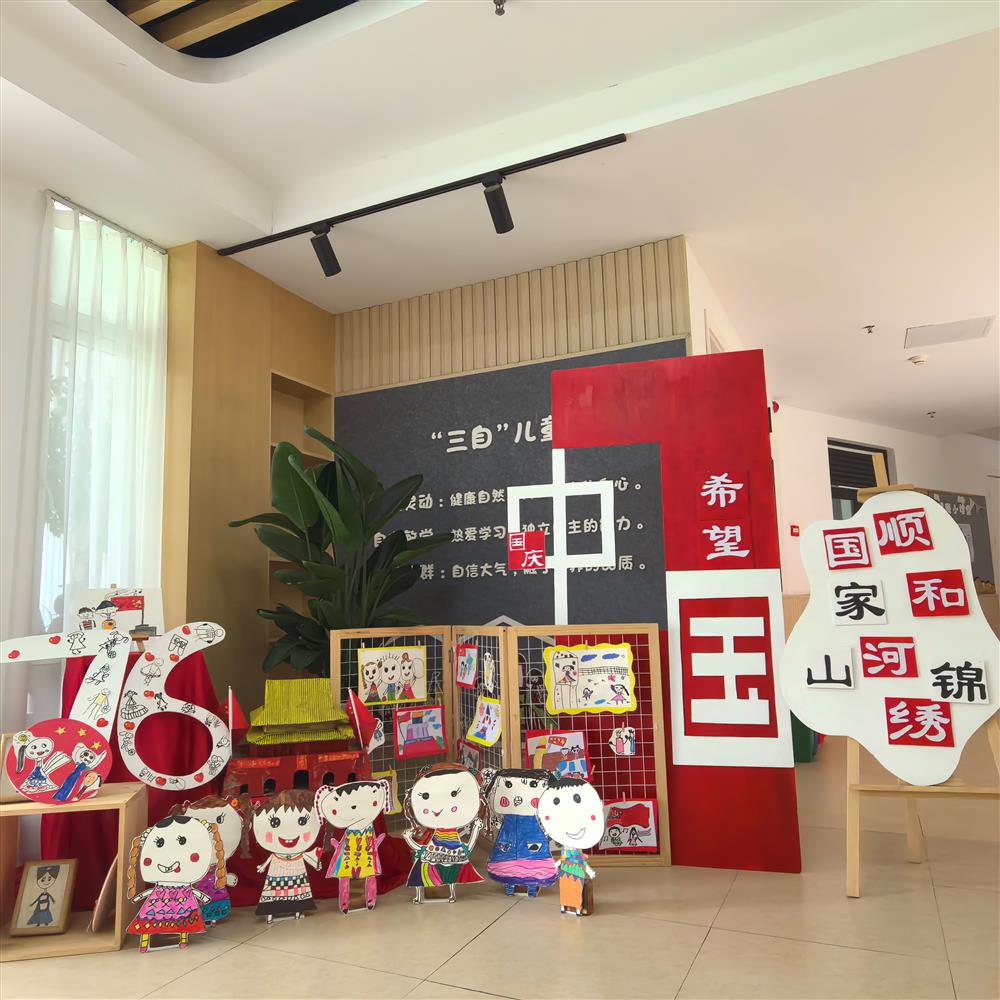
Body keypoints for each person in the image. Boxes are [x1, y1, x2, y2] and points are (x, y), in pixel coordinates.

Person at [126, 815, 225, 952]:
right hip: (161, 900)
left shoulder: (185, 884)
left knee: (183, 921)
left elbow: (192, 891)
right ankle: (147, 942)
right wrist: (138, 896)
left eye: (182, 841)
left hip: (179, 899)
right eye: (159, 843)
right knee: (151, 920)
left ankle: (181, 939)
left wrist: (203, 897)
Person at [403, 763, 484, 903]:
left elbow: (421, 850)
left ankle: (443, 893)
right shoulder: (432, 837)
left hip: (440, 857)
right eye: (426, 796)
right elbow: (468, 848)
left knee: (436, 869)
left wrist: (476, 828)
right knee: (426, 868)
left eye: (454, 794)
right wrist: (408, 838)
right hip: (433, 858)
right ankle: (428, 893)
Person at [168, 794, 250, 924]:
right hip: (198, 886)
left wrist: (226, 878)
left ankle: (212, 917)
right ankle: (200, 915)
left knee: (215, 898)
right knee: (199, 898)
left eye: (219, 820)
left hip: (216, 886)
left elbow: (220, 871)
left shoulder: (220, 857)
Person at [482, 767, 558, 898]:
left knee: (531, 861)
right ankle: (512, 886)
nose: (519, 797)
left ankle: (529, 887)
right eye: (508, 785)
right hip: (514, 837)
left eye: (533, 785)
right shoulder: (507, 816)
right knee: (509, 860)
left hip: (529, 837)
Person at [315, 779, 389, 913]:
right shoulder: (351, 828)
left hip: (366, 845)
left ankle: (370, 899)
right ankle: (344, 902)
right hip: (350, 847)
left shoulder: (369, 826)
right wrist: (338, 846)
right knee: (346, 874)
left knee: (369, 872)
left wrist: (376, 842)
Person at [537, 775, 605, 916]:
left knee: (575, 889)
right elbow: (563, 860)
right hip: (566, 873)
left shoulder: (576, 853)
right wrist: (554, 866)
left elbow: (580, 862)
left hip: (576, 873)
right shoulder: (566, 852)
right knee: (565, 889)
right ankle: (565, 906)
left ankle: (576, 907)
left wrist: (589, 871)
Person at [252, 789, 321, 922]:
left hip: (297, 868)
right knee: (274, 890)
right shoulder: (276, 854)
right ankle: (271, 911)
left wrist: (316, 862)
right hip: (277, 869)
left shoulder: (299, 853)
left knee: (297, 890)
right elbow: (270, 858)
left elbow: (310, 858)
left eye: (302, 821)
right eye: (274, 822)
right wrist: (263, 866)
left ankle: (297, 910)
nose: (289, 834)